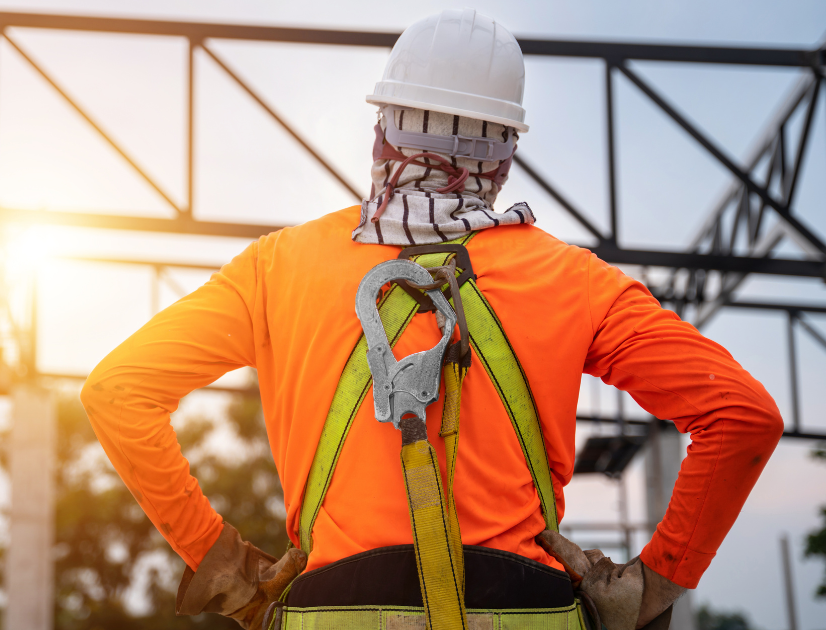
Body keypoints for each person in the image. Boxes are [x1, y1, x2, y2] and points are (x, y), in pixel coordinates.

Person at [81, 9, 783, 630]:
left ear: (383, 128)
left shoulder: (276, 269)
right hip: (529, 610)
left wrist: (229, 571)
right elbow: (743, 417)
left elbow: (117, 392)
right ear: (506, 152)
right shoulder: (577, 281)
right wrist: (655, 583)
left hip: (333, 611)